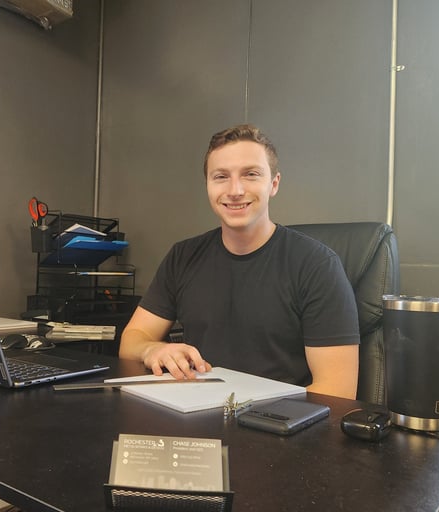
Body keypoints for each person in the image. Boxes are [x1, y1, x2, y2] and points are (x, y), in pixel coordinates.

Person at [119, 124, 360, 399]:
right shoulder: (183, 256)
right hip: (197, 418)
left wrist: (243, 419)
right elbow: (132, 339)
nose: (234, 190)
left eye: (251, 174)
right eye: (220, 176)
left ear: (274, 184)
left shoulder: (317, 265)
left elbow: (337, 392)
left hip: (279, 428)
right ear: (208, 186)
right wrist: (152, 349)